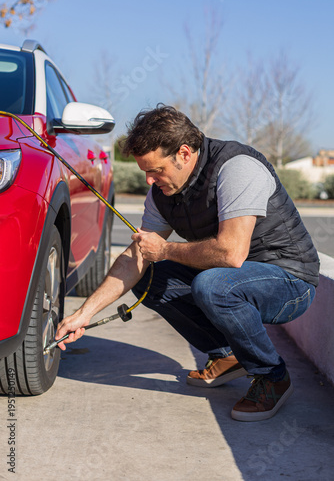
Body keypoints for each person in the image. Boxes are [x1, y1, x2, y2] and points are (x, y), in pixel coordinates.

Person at [55, 104, 319, 422]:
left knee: (212, 285)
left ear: (183, 153)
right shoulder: (162, 193)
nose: (150, 181)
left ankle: (272, 376)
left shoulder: (237, 168)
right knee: (150, 277)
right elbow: (136, 256)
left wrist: (165, 249)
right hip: (235, 276)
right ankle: (227, 355)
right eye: (145, 173)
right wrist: (82, 315)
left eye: (156, 171)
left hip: (290, 278)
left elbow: (231, 253)